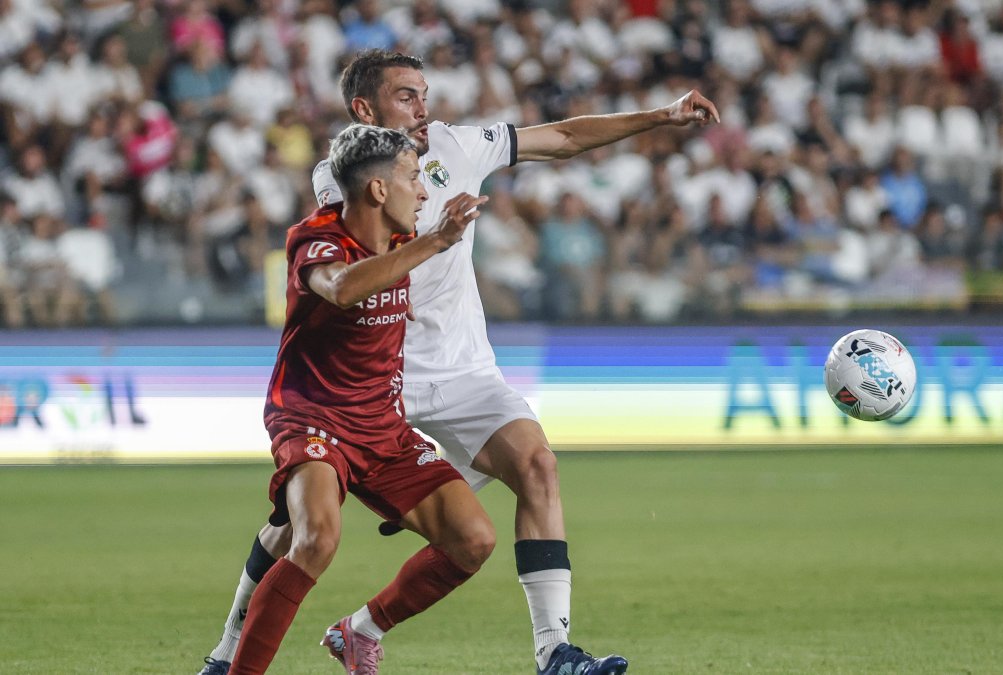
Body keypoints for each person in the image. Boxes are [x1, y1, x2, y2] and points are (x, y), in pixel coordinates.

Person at [201, 50, 719, 675]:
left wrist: (660, 115)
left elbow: (562, 137)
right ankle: (227, 653)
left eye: (424, 94)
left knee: (536, 466)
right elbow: (352, 267)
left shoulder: (458, 145)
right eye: (406, 96)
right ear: (365, 110)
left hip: (463, 370)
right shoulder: (344, 174)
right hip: (371, 378)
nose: (423, 108)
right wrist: (437, 234)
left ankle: (549, 651)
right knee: (301, 528)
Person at [225, 123, 495, 674]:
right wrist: (435, 241)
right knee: (316, 538)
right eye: (413, 178)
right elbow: (343, 287)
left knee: (473, 539)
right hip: (313, 417)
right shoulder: (316, 237)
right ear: (377, 189)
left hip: (382, 424)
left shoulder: (398, 241)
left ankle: (360, 630)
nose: (424, 192)